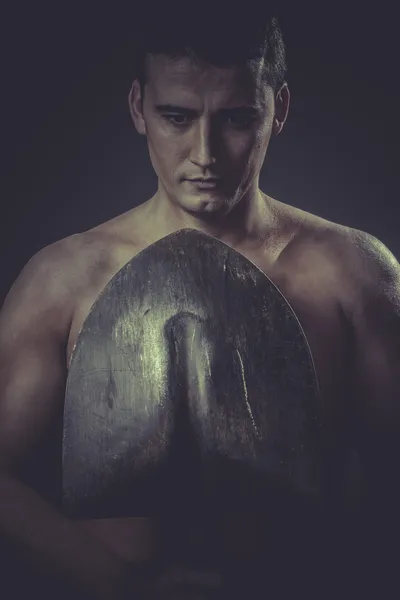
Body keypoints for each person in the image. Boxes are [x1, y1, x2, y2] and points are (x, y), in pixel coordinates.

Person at [0, 4, 399, 598]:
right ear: (139, 108)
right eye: (177, 117)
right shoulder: (64, 279)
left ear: (278, 110)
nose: (205, 153)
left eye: (237, 118)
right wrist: (117, 588)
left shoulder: (353, 275)